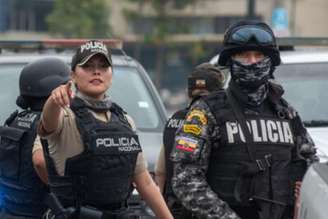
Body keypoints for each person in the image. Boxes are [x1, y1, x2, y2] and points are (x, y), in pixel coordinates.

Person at [170, 20, 318, 219]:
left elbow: (312, 171)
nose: (253, 62)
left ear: (270, 61)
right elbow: (185, 179)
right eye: (244, 55)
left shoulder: (286, 114)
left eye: (259, 55)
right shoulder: (206, 112)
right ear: (231, 60)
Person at [38, 40, 173, 219]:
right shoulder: (64, 115)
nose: (96, 71)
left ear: (111, 74)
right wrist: (53, 100)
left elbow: (145, 183)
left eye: (103, 66)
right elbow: (47, 123)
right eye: (87, 66)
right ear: (73, 75)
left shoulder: (125, 120)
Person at [0, 57, 70, 218]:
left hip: (10, 211)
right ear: (53, 89)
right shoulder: (50, 125)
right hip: (40, 212)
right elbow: (40, 163)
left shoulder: (14, 120)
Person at [155, 63, 226, 218]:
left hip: (172, 208)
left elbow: (160, 172)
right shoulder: (220, 121)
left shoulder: (174, 119)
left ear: (189, 93)